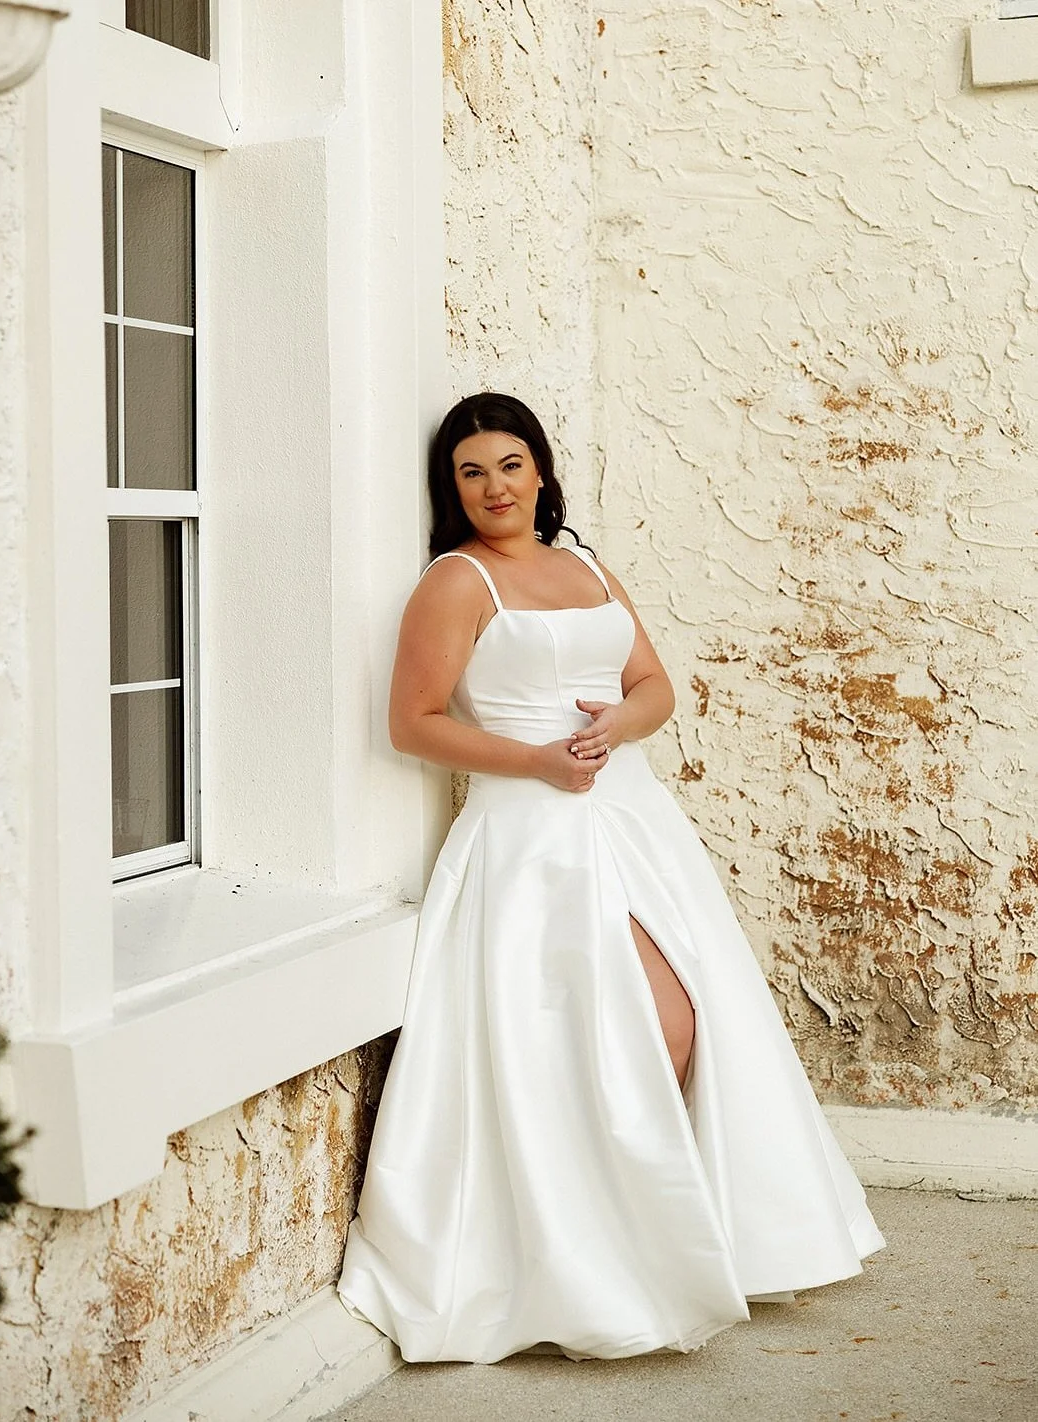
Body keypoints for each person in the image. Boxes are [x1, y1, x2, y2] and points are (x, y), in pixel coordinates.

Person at [337, 393, 884, 1364]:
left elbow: (653, 686)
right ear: (449, 489)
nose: (492, 486)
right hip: (528, 837)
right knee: (596, 1038)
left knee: (682, 1023)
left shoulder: (582, 564)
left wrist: (611, 730)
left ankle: (664, 1238)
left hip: (628, 818)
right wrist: (538, 761)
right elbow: (412, 722)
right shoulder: (454, 584)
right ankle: (593, 1260)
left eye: (509, 465)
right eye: (470, 472)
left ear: (540, 471)